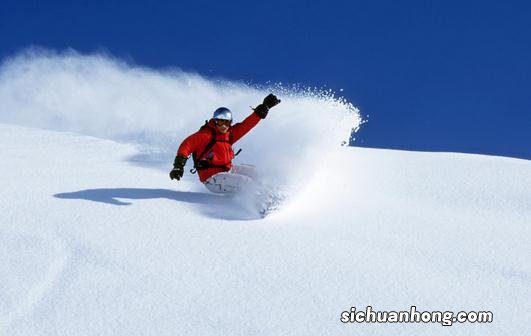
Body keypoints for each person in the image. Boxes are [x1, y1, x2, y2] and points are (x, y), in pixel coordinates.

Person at [170, 94, 281, 193]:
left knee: (257, 173)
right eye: (220, 121)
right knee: (247, 183)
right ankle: (263, 205)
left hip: (227, 170)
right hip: (212, 177)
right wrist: (178, 166)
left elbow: (246, 125)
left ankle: (275, 191)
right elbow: (187, 145)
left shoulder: (229, 134)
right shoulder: (206, 134)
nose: (223, 125)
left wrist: (263, 108)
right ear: (215, 121)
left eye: (226, 122)